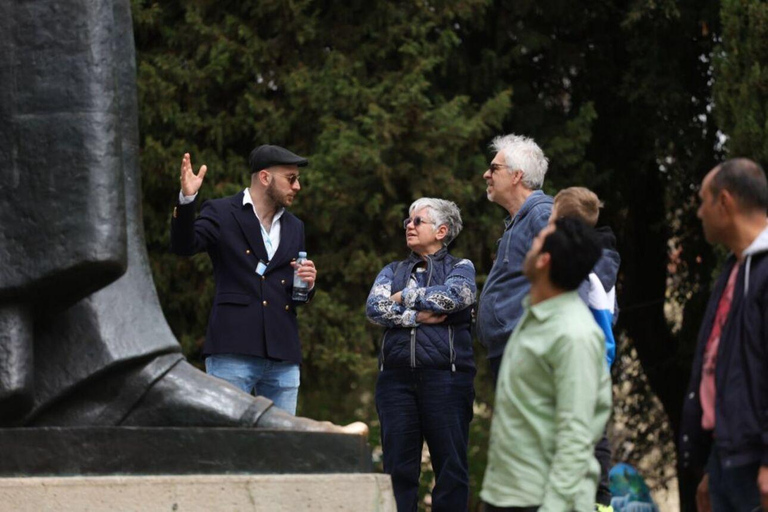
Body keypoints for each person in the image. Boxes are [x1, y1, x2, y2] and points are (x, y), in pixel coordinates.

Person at [171, 146, 318, 415]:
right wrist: (187, 199)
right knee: (226, 440)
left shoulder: (295, 226)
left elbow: (291, 291)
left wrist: (307, 285)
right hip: (232, 348)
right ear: (265, 178)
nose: (297, 186)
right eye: (291, 178)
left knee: (280, 443)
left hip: (283, 353)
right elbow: (184, 246)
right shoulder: (221, 212)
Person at [480, 218, 612, 512]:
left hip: (542, 501)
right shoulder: (535, 316)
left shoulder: (574, 335)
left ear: (544, 260)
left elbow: (576, 436)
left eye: (536, 241)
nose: (528, 246)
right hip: (506, 494)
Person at [366, 198, 476, 512]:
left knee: (451, 470)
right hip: (395, 382)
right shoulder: (392, 269)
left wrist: (405, 297)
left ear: (442, 231)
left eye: (418, 221)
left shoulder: (460, 267)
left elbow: (455, 296)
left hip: (447, 379)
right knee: (397, 471)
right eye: (407, 222)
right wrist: (415, 316)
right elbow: (375, 309)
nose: (409, 227)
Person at [679, 158, 768, 512]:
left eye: (703, 201)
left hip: (755, 467)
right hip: (727, 459)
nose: (699, 213)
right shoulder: (734, 269)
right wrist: (711, 467)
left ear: (725, 202)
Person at [550, 186, 621, 511]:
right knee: (596, 435)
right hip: (599, 361)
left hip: (580, 365)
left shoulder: (577, 268)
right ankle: (600, 501)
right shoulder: (602, 266)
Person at [476, 134, 553, 382]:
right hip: (511, 350)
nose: (486, 175)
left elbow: (571, 274)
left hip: (527, 351)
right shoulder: (520, 220)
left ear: (517, 175)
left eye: (494, 168)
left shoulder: (542, 214)